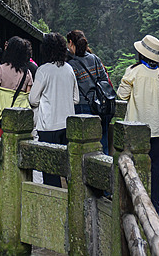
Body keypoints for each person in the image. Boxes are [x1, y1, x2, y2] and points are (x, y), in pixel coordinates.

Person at [118, 34, 159, 214]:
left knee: (133, 169)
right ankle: (155, 208)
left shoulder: (133, 71)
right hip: (157, 130)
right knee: (156, 171)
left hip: (136, 132)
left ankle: (135, 208)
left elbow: (122, 95)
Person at [28, 33, 79, 187]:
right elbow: (76, 98)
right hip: (67, 125)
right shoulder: (69, 69)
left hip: (48, 126)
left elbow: (33, 99)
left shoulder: (43, 70)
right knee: (68, 168)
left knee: (50, 171)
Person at [66, 29, 114, 155]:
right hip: (100, 106)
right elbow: (104, 80)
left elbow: (72, 87)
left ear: (71, 43)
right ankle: (105, 169)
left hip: (82, 105)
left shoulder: (70, 64)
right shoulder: (95, 58)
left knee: (83, 143)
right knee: (102, 140)